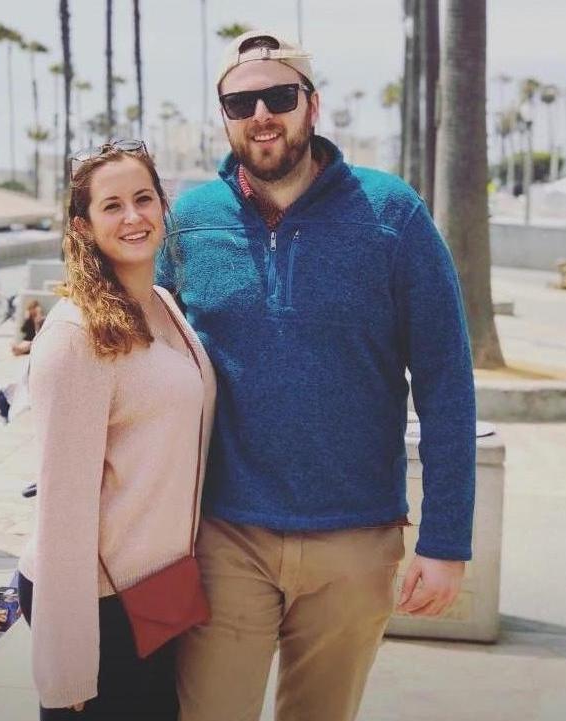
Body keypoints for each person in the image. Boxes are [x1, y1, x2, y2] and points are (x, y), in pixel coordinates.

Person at [157, 31, 476, 721]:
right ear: (223, 116)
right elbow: (144, 359)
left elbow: (446, 380)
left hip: (355, 539)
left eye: (279, 96)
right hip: (223, 535)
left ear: (312, 104)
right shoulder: (189, 222)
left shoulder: (393, 214)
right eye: (240, 103)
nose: (261, 115)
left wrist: (446, 541)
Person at [16, 141, 216, 719]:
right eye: (112, 206)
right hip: (95, 599)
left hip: (159, 589)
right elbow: (62, 506)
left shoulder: (163, 303)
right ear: (83, 225)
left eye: (143, 199)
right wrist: (68, 660)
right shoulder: (75, 336)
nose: (133, 217)